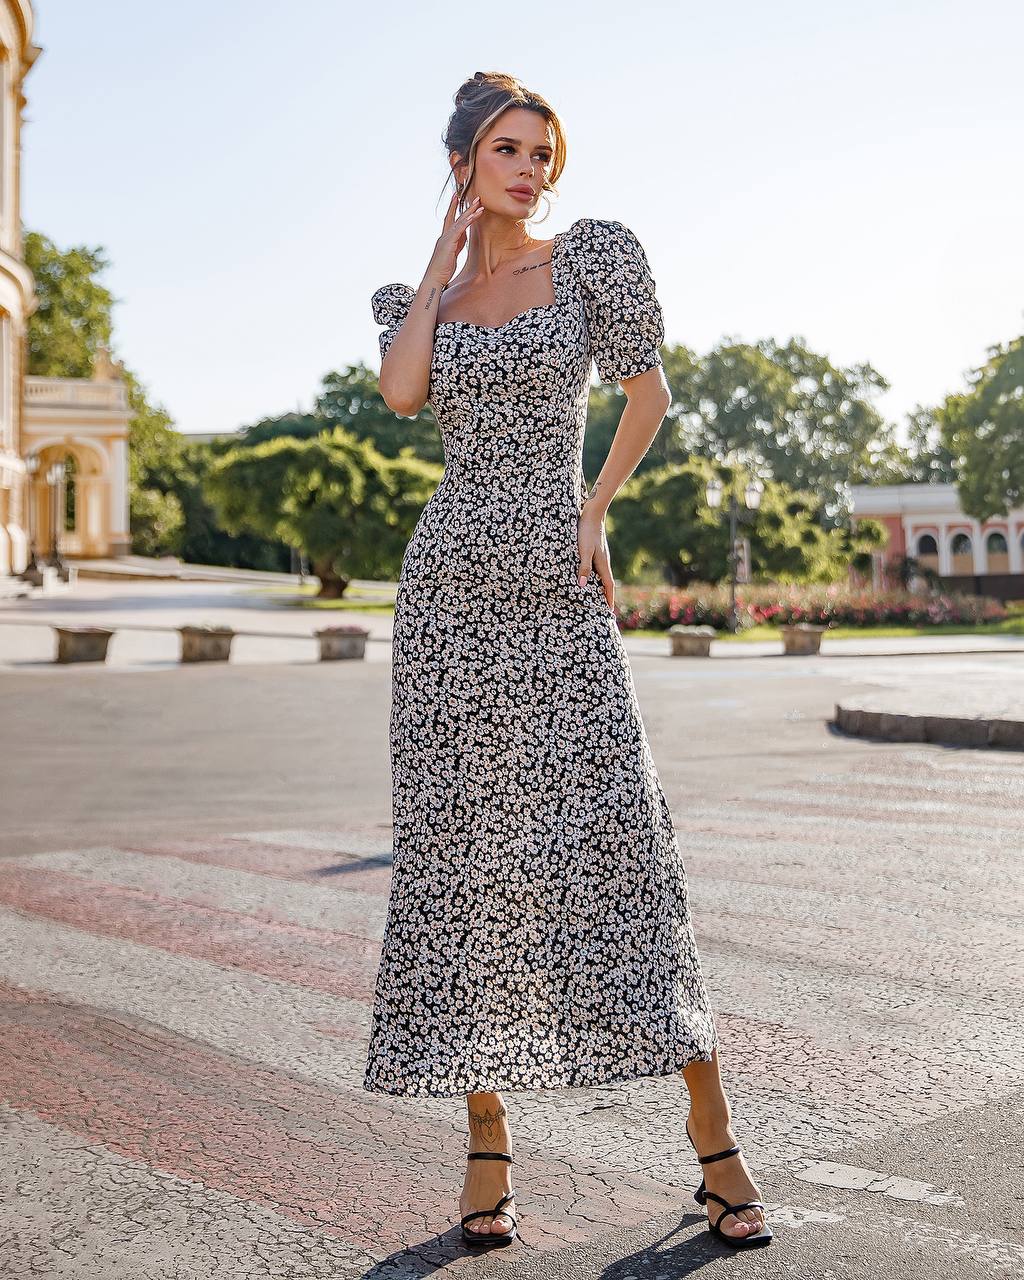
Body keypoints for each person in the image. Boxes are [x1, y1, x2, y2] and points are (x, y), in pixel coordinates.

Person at [363, 70, 772, 1252]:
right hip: (445, 597)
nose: (529, 167)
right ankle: (485, 1150)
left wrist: (592, 510)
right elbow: (400, 395)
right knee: (461, 858)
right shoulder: (415, 299)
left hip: (554, 579)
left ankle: (716, 1149)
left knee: (618, 841)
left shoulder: (592, 256)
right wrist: (441, 260)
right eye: (505, 148)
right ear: (462, 164)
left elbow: (647, 392)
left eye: (541, 148)